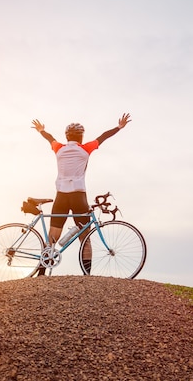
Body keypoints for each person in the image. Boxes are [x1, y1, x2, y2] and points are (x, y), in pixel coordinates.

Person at [31, 113, 132, 274]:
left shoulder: (59, 149)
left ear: (67, 136)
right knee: (85, 237)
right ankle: (87, 274)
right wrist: (119, 127)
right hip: (78, 195)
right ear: (81, 136)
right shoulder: (85, 149)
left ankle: (42, 272)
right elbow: (103, 137)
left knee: (52, 237)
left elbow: (50, 138)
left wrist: (41, 130)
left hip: (61, 195)